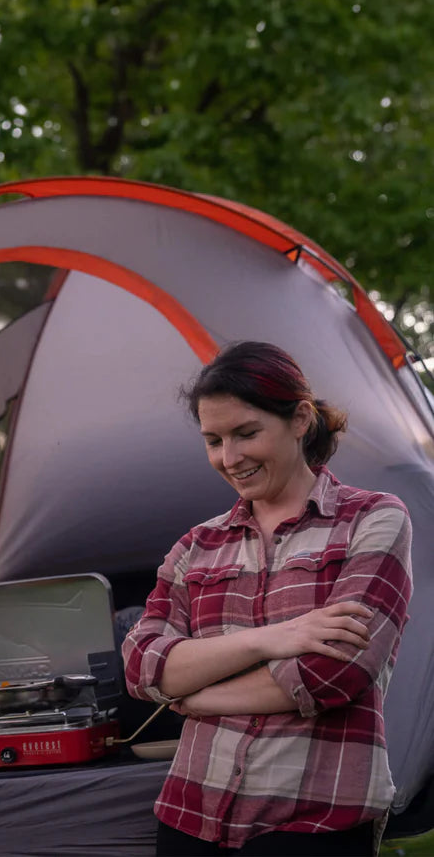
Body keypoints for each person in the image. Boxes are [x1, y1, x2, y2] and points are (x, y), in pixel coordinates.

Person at [122, 341, 412, 857]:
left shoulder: (373, 520)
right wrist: (274, 639)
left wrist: (196, 694)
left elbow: (333, 674)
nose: (229, 459)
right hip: (191, 813)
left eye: (246, 433)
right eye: (213, 441)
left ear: (300, 419)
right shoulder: (196, 546)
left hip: (314, 822)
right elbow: (142, 667)